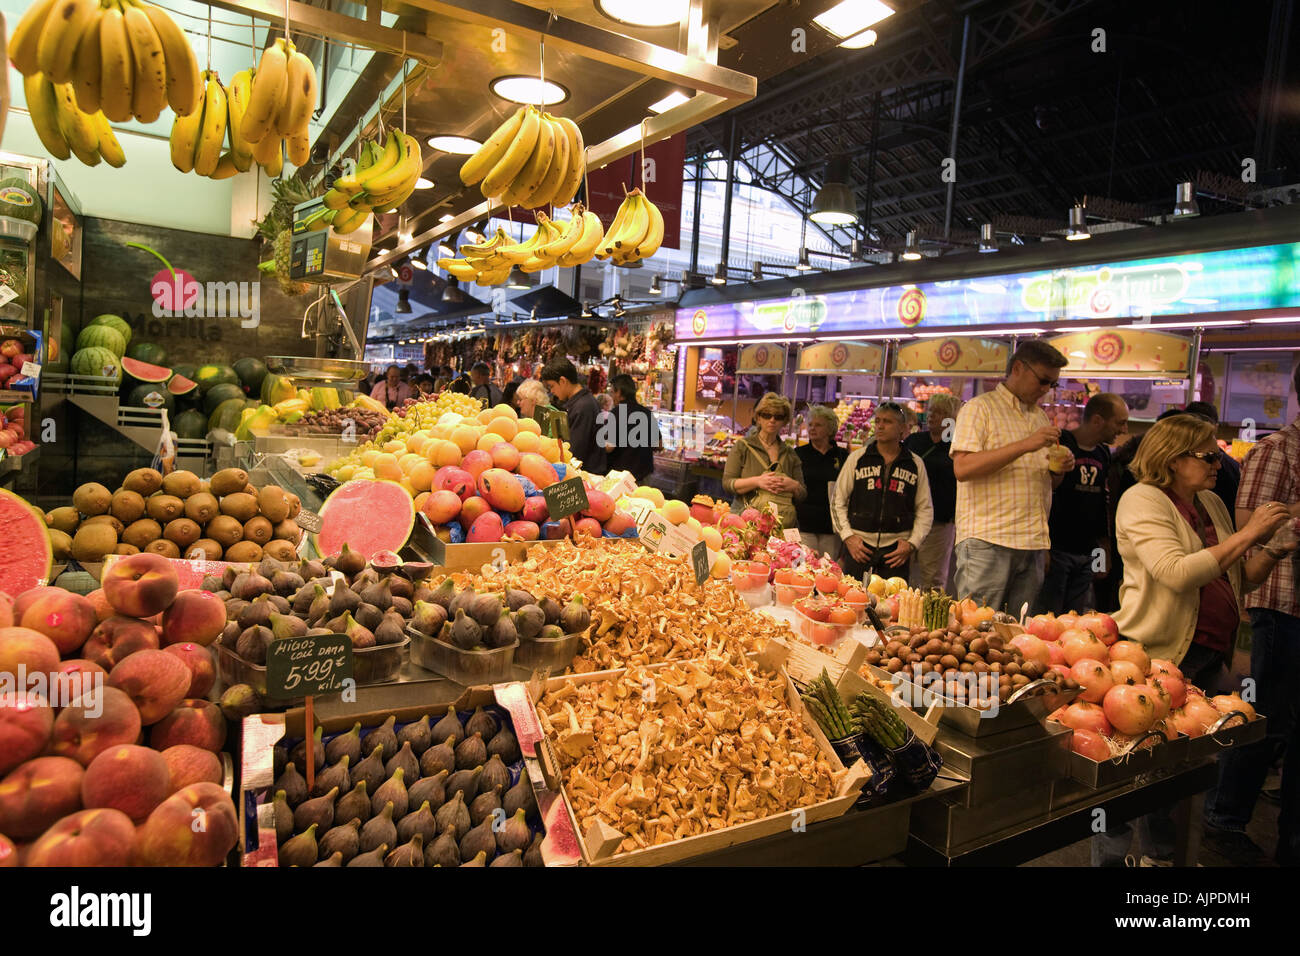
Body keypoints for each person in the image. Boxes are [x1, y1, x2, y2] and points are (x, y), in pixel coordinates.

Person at [1093, 414, 1294, 867]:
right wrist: (1249, 534)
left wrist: (1276, 546)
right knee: (1131, 772)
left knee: (1181, 770)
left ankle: (1162, 860)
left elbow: (1238, 579)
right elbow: (1177, 574)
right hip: (1155, 652)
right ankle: (1111, 860)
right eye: (1208, 454)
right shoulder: (1142, 499)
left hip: (1205, 656)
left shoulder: (1209, 502)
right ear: (1173, 457)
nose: (1218, 462)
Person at [1205, 363, 1300, 866]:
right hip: (1282, 603)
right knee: (1264, 718)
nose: (1212, 463)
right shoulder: (1276, 450)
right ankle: (1224, 817)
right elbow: (1247, 532)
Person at [950, 340, 1073, 614]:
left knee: (1018, 635)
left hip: (1032, 542)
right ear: (1018, 368)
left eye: (1052, 385)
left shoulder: (1040, 417)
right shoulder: (979, 409)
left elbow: (1045, 483)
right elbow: (963, 469)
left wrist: (1057, 470)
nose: (1045, 390)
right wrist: (1026, 444)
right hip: (987, 540)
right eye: (1042, 381)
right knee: (975, 630)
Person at [1036, 393, 1130, 614]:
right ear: (1097, 420)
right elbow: (1043, 495)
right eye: (1120, 422)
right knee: (1049, 615)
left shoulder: (1103, 452)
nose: (1124, 430)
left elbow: (1101, 503)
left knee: (1078, 616)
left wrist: (1103, 550)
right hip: (1057, 549)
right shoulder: (1062, 444)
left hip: (1087, 552)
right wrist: (1044, 548)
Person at [832, 401, 933, 581]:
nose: (880, 426)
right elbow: (837, 501)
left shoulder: (915, 464)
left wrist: (912, 544)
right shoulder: (857, 458)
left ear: (902, 428)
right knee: (852, 602)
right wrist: (848, 537)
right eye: (877, 420)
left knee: (891, 605)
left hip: (896, 553)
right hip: (859, 548)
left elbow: (925, 509)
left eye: (887, 421)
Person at [722, 392, 806, 529]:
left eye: (778, 417)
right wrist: (757, 481)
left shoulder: (790, 454)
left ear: (784, 421)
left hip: (780, 527)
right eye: (766, 415)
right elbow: (727, 484)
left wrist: (793, 485)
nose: (772, 420)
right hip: (746, 523)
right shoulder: (743, 447)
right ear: (758, 418)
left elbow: (802, 494)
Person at [905, 392, 961, 592]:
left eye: (938, 412)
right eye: (930, 411)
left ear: (951, 419)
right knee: (901, 575)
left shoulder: (958, 445)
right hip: (908, 518)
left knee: (932, 579)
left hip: (939, 520)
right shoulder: (914, 440)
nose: (931, 416)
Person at [796, 405, 848, 559]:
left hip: (831, 526)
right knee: (804, 568)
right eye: (810, 424)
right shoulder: (798, 454)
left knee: (828, 568)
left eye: (818, 425)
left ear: (830, 429)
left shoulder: (842, 456)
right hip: (804, 524)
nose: (812, 428)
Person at [540, 357, 606, 473]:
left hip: (586, 474)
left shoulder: (583, 407)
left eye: (552, 386)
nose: (552, 391)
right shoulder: (580, 402)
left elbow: (574, 451)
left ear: (562, 381)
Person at [1185, 400, 1241, 522]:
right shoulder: (1150, 501)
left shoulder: (1210, 501)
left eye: (1218, 457)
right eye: (1208, 457)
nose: (1218, 465)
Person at [603, 374, 658, 482]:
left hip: (621, 478)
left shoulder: (617, 413)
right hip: (643, 475)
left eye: (613, 392)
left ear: (619, 392)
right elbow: (659, 445)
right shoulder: (646, 412)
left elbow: (609, 447)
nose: (612, 396)